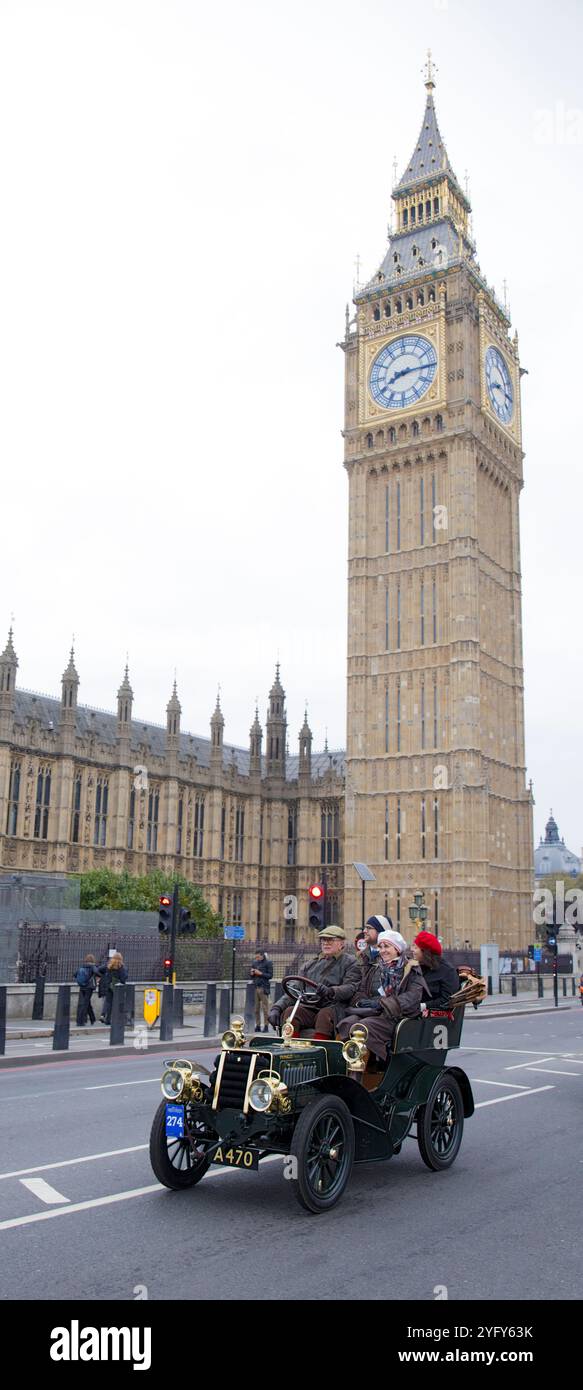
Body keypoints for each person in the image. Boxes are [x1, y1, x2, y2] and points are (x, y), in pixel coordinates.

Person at [338, 929, 423, 1064]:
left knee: (362, 1028)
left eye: (387, 946)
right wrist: (361, 1002)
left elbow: (413, 996)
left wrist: (383, 1004)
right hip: (372, 1013)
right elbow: (361, 990)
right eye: (380, 947)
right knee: (346, 1023)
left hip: (395, 1017)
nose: (382, 951)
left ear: (397, 949)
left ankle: (374, 1065)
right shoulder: (375, 968)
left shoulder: (410, 969)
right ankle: (345, 1066)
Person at [268, 926, 360, 1038]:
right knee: (291, 1013)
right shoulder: (310, 965)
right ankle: (291, 1048)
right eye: (323, 940)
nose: (326, 943)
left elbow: (351, 987)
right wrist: (277, 1008)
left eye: (330, 940)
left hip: (334, 1008)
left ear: (341, 943)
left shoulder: (350, 962)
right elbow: (295, 990)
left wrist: (331, 991)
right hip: (310, 1006)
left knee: (324, 1015)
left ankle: (321, 1049)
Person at [412, 930, 460, 1008]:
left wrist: (424, 1005)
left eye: (416, 947)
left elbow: (448, 999)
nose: (412, 950)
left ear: (425, 952)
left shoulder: (447, 971)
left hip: (434, 1017)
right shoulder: (419, 966)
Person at [101, 952, 128, 1026]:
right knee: (121, 1003)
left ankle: (107, 1020)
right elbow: (124, 977)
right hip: (119, 988)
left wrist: (104, 978)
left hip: (109, 987)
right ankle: (123, 1019)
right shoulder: (122, 967)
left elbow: (99, 969)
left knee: (109, 1003)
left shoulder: (109, 966)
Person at [249, 950, 273, 1032]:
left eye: (258, 956)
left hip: (264, 987)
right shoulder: (255, 963)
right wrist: (252, 974)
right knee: (256, 1009)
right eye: (256, 957)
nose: (257, 958)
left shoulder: (268, 963)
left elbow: (270, 975)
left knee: (265, 1008)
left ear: (262, 955)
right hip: (256, 987)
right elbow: (251, 976)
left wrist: (261, 973)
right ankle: (258, 1025)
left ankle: (266, 1026)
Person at [75, 954, 97, 1026]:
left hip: (82, 986)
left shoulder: (82, 966)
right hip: (89, 987)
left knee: (87, 1003)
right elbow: (97, 972)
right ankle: (80, 1021)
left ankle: (92, 1018)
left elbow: (75, 974)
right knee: (85, 1003)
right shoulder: (92, 967)